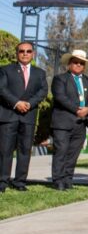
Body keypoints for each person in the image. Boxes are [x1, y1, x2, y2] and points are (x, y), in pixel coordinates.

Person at [0, 42, 47, 192]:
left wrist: (28, 104)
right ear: (17, 53)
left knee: (25, 150)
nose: (25, 54)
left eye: (28, 51)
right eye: (21, 51)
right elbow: (2, 89)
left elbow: (43, 91)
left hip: (28, 116)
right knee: (5, 150)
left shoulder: (40, 73)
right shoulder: (5, 70)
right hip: (9, 115)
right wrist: (16, 103)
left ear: (33, 54)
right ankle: (2, 181)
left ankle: (20, 182)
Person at [51, 49, 88, 191]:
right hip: (63, 122)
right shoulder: (60, 79)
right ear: (69, 64)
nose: (78, 65)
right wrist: (77, 110)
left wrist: (87, 109)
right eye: (75, 62)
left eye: (81, 63)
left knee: (73, 153)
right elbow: (60, 97)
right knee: (61, 151)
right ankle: (58, 180)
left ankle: (68, 179)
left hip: (80, 124)